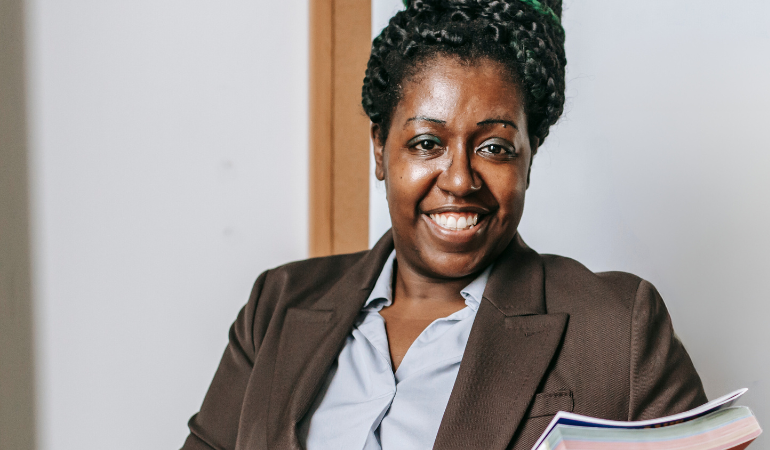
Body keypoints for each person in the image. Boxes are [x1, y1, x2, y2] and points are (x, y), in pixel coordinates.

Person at [181, 1, 706, 449]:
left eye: (494, 148)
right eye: (427, 143)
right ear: (380, 150)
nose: (459, 179)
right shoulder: (278, 304)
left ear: (529, 157)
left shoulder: (616, 327)